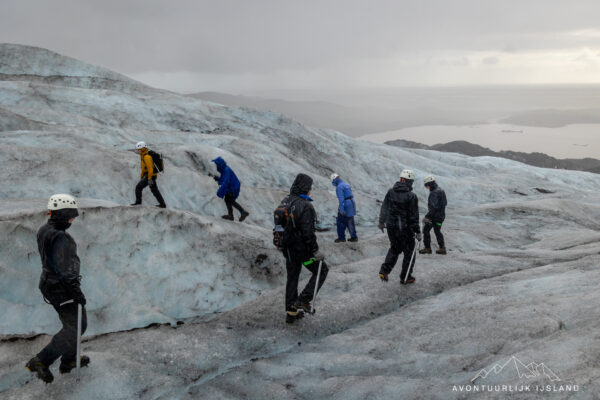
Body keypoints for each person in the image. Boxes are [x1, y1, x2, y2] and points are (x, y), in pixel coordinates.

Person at [26, 194, 89, 383]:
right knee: (77, 327)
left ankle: (69, 360)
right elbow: (65, 269)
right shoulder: (61, 237)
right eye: (70, 216)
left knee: (73, 324)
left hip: (49, 284)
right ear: (62, 215)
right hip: (61, 288)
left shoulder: (45, 229)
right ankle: (40, 361)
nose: (71, 220)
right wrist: (76, 292)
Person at [279, 173, 329, 324]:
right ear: (305, 188)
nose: (310, 190)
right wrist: (315, 251)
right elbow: (308, 233)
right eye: (309, 187)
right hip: (303, 253)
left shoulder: (286, 201)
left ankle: (291, 311)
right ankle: (303, 300)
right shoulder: (305, 205)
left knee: (292, 277)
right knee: (321, 269)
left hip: (288, 250)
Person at [378, 169, 421, 284]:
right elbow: (413, 216)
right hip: (405, 229)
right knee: (409, 252)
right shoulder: (411, 196)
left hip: (391, 227)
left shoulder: (390, 192)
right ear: (408, 181)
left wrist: (381, 222)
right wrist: (417, 231)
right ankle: (405, 277)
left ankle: (384, 270)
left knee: (394, 248)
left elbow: (384, 207)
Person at [212, 156, 249, 221]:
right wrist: (218, 179)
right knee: (227, 199)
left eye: (217, 164)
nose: (216, 166)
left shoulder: (226, 170)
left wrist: (220, 190)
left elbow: (226, 181)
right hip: (231, 187)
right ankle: (231, 215)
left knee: (230, 200)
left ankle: (242, 212)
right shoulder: (224, 170)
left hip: (233, 188)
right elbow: (223, 179)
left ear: (220, 164)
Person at [130, 141, 166, 208]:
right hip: (150, 176)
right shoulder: (143, 155)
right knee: (154, 190)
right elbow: (144, 168)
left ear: (142, 149)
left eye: (138, 150)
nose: (137, 151)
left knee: (138, 188)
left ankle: (138, 203)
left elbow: (150, 169)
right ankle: (162, 204)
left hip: (150, 176)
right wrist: (142, 176)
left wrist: (149, 179)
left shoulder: (146, 157)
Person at [420, 175, 448, 255]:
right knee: (437, 231)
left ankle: (427, 248)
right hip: (440, 216)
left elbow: (433, 207)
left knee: (426, 230)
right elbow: (445, 203)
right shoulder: (441, 190)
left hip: (434, 217)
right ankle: (442, 248)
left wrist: (427, 217)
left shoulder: (434, 193)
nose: (427, 187)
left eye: (427, 185)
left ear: (430, 184)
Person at [331, 173, 358, 243]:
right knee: (350, 221)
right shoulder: (346, 184)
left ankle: (341, 238)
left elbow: (341, 199)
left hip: (346, 204)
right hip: (352, 203)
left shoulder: (339, 187)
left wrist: (341, 209)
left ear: (334, 179)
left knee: (340, 221)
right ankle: (354, 237)